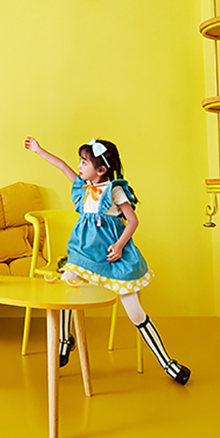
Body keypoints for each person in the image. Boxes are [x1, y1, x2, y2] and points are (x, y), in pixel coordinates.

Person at [24, 136, 190, 385]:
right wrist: (39, 150)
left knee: (136, 314)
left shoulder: (114, 190)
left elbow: (132, 221)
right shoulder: (83, 186)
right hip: (83, 253)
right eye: (80, 161)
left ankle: (167, 363)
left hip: (112, 257)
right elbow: (62, 166)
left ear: (101, 169)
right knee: (66, 284)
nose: (79, 166)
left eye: (84, 162)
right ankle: (65, 341)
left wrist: (119, 246)